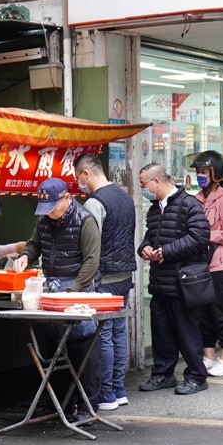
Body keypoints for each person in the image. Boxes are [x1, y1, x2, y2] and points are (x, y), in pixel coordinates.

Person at [14, 177, 103, 420]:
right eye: (45, 209)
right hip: (52, 288)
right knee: (55, 348)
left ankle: (87, 407)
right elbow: (34, 244)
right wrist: (25, 257)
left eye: (52, 207)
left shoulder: (85, 221)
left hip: (79, 287)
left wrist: (73, 289)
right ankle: (61, 406)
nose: (48, 213)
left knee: (82, 347)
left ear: (67, 198)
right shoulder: (44, 219)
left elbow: (92, 262)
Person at [137, 163, 211, 395]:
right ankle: (163, 374)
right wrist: (145, 248)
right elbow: (150, 237)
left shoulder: (188, 204)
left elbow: (200, 237)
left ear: (156, 181)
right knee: (161, 333)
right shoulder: (154, 209)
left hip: (183, 283)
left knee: (187, 332)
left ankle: (197, 377)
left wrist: (167, 251)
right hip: (160, 283)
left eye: (143, 185)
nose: (143, 189)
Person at [74, 152, 137, 412]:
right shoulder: (125, 197)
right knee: (120, 331)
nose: (79, 182)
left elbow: (92, 247)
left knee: (105, 335)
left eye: (78, 176)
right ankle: (119, 390)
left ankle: (107, 393)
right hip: (124, 275)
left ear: (86, 174)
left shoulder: (95, 203)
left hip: (105, 278)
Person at [191, 151, 223, 377]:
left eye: (204, 172)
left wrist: (201, 234)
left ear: (216, 174)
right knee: (204, 313)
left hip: (221, 266)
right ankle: (208, 357)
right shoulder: (197, 199)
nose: (200, 176)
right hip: (202, 265)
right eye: (198, 171)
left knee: (221, 312)